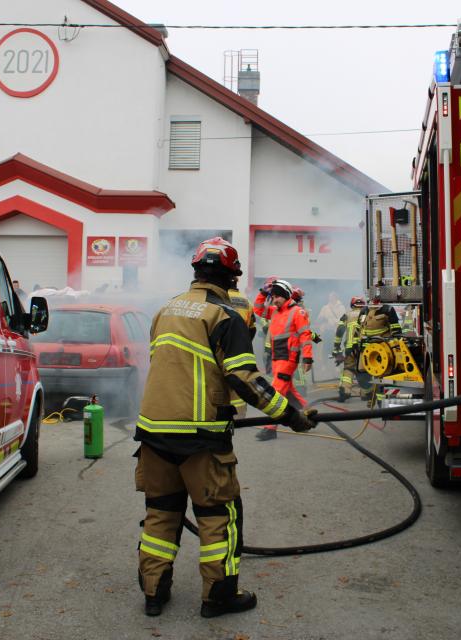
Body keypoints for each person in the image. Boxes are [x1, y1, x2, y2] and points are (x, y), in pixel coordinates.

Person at [134, 237, 318, 619]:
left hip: (152, 432)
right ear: (232, 278)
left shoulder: (165, 310)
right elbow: (245, 379)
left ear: (196, 272)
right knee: (219, 516)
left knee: (161, 512)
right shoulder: (224, 316)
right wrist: (291, 416)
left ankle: (153, 593)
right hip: (200, 437)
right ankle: (218, 597)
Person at [253, 278, 314, 440]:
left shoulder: (297, 312)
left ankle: (270, 428)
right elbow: (257, 309)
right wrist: (263, 292)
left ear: (286, 295)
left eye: (277, 296)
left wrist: (308, 357)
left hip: (288, 359)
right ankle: (308, 413)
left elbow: (305, 335)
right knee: (290, 392)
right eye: (273, 297)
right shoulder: (275, 311)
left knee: (276, 393)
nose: (275, 300)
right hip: (277, 358)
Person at [227, 287, 256, 418]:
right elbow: (252, 328)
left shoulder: (218, 297)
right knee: (240, 380)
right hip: (240, 350)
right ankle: (240, 414)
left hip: (221, 348)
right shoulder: (246, 302)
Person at [332, 296, 367, 401]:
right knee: (364, 370)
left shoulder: (347, 315)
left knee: (349, 369)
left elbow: (339, 331)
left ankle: (345, 391)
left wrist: (337, 347)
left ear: (352, 305)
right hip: (365, 349)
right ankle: (366, 393)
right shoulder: (368, 314)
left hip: (350, 349)